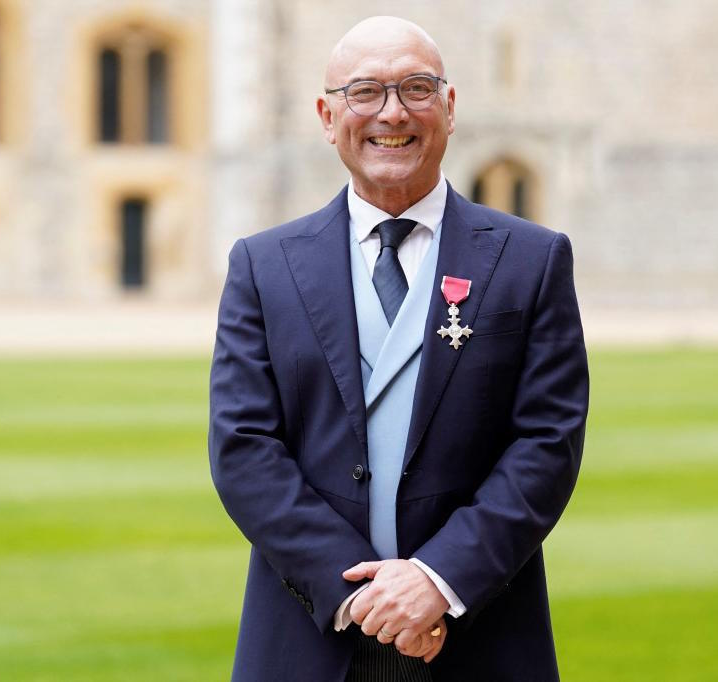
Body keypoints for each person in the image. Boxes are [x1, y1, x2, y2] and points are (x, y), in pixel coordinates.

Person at [209, 15, 588, 682]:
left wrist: (438, 581)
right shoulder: (263, 266)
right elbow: (244, 450)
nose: (392, 113)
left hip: (478, 638)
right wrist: (360, 594)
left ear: (449, 107)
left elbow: (546, 444)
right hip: (309, 636)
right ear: (329, 117)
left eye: (416, 88)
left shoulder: (532, 260)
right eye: (365, 92)